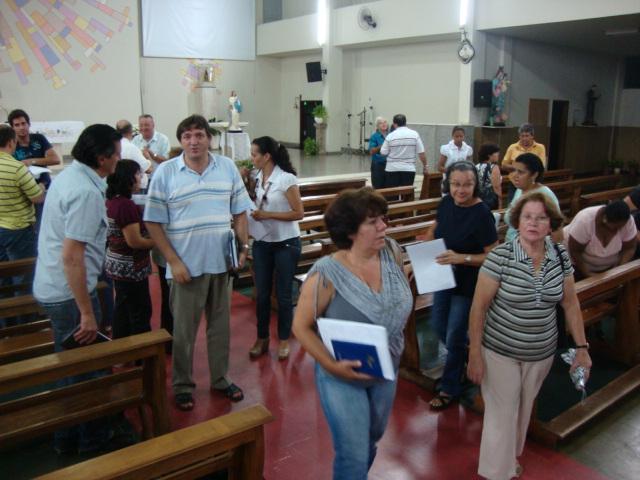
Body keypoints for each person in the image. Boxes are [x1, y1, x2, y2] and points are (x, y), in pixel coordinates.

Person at [467, 191, 592, 480]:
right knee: (502, 412)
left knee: (523, 410)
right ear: (517, 221)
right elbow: (478, 307)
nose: (533, 223)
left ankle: (508, 460)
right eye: (527, 217)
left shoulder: (559, 256)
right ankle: (496, 472)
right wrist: (474, 352)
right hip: (500, 350)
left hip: (540, 352)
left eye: (541, 218)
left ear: (551, 224)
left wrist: (582, 347)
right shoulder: (501, 256)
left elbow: (570, 303)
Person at [292, 187, 412, 480]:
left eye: (383, 218)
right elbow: (300, 326)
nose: (383, 225)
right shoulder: (326, 274)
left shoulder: (392, 253)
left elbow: (398, 290)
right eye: (373, 222)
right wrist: (331, 365)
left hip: (386, 369)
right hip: (341, 376)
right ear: (350, 231)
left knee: (370, 439)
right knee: (353, 454)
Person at [144, 114, 252, 410]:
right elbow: (153, 222)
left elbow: (241, 211)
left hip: (222, 264)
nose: (194, 141)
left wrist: (242, 247)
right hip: (185, 269)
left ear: (209, 139)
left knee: (220, 328)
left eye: (199, 135)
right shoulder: (166, 172)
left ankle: (220, 378)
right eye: (187, 136)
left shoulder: (226, 167)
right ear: (181, 141)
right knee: (184, 332)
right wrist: (172, 262)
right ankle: (182, 385)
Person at [33, 124, 122, 454]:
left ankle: (67, 438)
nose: (119, 160)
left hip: (56, 286)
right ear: (102, 158)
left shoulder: (72, 176)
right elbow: (72, 256)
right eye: (117, 154)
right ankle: (92, 446)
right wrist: (87, 312)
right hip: (69, 295)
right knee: (86, 373)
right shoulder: (85, 191)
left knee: (71, 368)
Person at [425, 162, 498, 410]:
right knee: (437, 325)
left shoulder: (482, 214)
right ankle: (469, 354)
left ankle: (450, 387)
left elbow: (493, 255)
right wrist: (422, 254)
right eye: (456, 184)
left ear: (475, 183)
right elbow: (435, 228)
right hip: (443, 276)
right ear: (448, 183)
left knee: (455, 332)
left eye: (467, 184)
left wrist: (462, 258)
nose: (461, 190)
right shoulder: (446, 203)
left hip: (469, 283)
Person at [248, 136, 303, 361]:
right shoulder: (257, 176)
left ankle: (283, 340)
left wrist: (267, 214)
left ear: (267, 156)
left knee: (282, 294)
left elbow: (298, 213)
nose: (252, 159)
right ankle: (262, 338)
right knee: (261, 294)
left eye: (254, 155)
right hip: (262, 241)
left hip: (286, 243)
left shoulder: (286, 179)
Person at [0, 125, 45, 327]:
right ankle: (25, 324)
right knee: (23, 278)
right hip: (18, 229)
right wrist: (41, 188)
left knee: (3, 278)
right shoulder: (16, 167)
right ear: (11, 142)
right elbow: (36, 197)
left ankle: (6, 324)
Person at [105, 159, 155, 339]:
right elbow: (135, 241)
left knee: (123, 308)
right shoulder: (125, 205)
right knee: (139, 311)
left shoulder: (115, 200)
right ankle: (142, 355)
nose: (141, 178)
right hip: (129, 267)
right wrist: (160, 242)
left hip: (118, 264)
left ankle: (122, 349)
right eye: (138, 174)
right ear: (129, 177)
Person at [564, 201, 636, 278]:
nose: (617, 230)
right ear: (604, 219)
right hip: (576, 265)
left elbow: (630, 248)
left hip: (609, 268)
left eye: (620, 227)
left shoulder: (627, 221)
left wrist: (619, 270)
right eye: (614, 228)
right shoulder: (585, 220)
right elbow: (575, 251)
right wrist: (588, 274)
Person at [504, 153, 560, 243]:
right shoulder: (520, 190)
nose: (515, 175)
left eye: (521, 172)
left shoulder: (544, 195)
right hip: (510, 244)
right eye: (514, 170)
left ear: (534, 175)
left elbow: (557, 232)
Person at [380, 114, 427, 188]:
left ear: (395, 124)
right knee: (407, 194)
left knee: (393, 194)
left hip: (392, 169)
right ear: (405, 122)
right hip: (408, 168)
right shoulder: (414, 134)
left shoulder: (390, 136)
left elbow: (383, 152)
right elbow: (421, 153)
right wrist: (425, 166)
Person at [115, 119, 152, 190]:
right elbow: (148, 169)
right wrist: (148, 156)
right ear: (131, 131)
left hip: (118, 186)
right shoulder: (131, 148)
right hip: (134, 188)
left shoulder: (113, 146)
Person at [475, 143, 502, 210]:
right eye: (496, 153)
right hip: (490, 200)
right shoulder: (494, 167)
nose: (498, 155)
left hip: (477, 199)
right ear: (489, 155)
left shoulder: (476, 166)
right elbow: (496, 187)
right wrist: (500, 202)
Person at [368, 117, 388, 189]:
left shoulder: (390, 135)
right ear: (377, 126)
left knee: (389, 186)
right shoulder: (374, 136)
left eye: (385, 122)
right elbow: (371, 151)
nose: (383, 124)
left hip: (390, 164)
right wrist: (382, 146)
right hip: (378, 165)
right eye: (381, 123)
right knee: (378, 186)